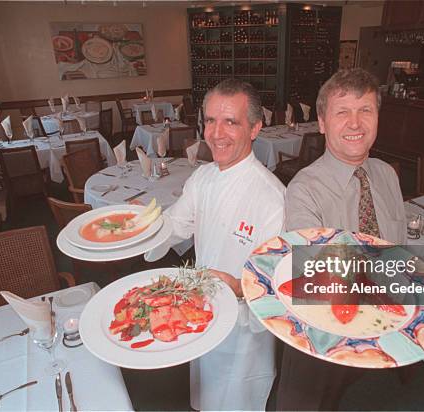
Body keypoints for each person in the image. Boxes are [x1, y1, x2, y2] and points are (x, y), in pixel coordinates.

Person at [145, 79, 285, 411]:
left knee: (236, 400)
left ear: (254, 128)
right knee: (205, 395)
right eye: (210, 120)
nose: (216, 133)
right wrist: (141, 228)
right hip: (199, 312)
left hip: (243, 331)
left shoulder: (272, 197)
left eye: (230, 122)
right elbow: (175, 225)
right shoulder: (203, 178)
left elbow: (274, 283)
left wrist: (237, 286)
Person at [276, 68, 407, 410]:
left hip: (376, 321)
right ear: (321, 122)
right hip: (321, 328)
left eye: (365, 110)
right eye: (342, 112)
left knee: (349, 395)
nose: (355, 123)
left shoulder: (387, 175)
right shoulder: (304, 189)